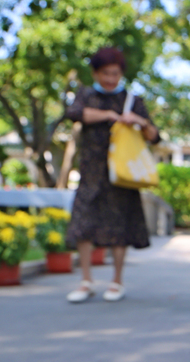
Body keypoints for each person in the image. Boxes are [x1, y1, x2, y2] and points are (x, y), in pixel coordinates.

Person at [63, 47, 160, 303]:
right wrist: (108, 115)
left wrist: (138, 121)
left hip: (122, 174)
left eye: (115, 74)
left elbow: (154, 135)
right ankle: (86, 280)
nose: (110, 79)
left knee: (120, 226)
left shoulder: (132, 100)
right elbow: (73, 113)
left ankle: (117, 281)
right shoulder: (85, 95)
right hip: (91, 171)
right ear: (95, 73)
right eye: (105, 73)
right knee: (83, 223)